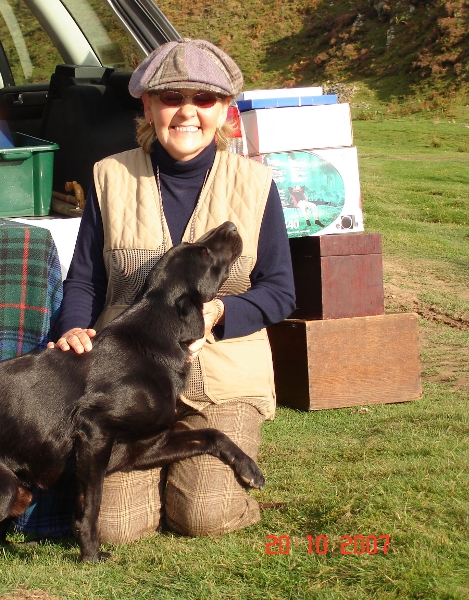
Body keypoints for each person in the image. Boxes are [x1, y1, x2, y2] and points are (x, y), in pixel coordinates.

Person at [47, 39, 296, 543]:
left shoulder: (257, 183)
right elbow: (85, 280)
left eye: (204, 100)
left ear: (225, 111)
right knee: (115, 529)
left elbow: (280, 290)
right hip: (128, 381)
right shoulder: (108, 176)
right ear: (147, 106)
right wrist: (74, 327)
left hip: (224, 380)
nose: (187, 112)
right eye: (171, 98)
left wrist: (221, 311)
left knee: (202, 516)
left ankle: (208, 484)